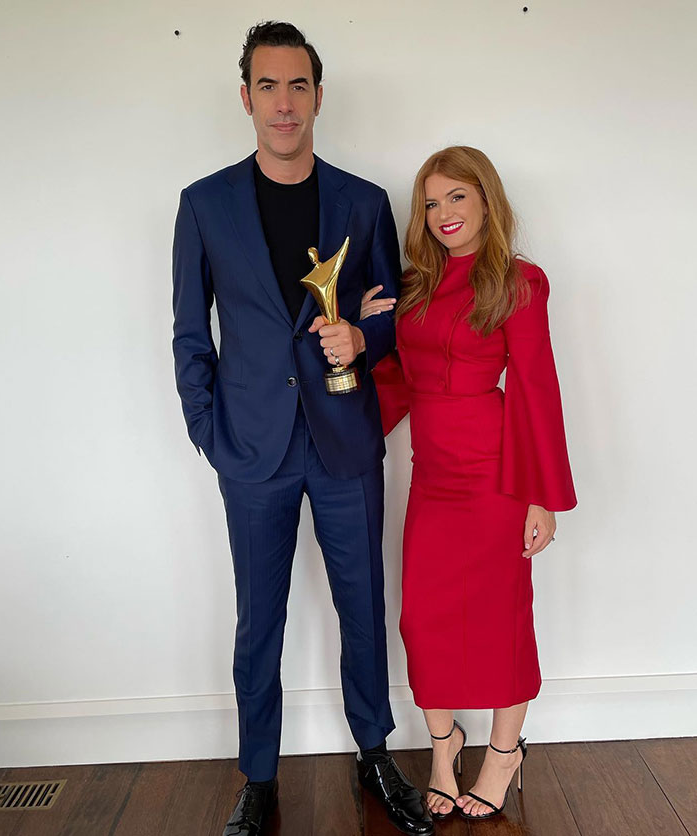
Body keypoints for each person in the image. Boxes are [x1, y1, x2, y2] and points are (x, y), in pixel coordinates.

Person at [171, 21, 433, 836]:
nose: (283, 103)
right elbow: (190, 335)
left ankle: (374, 754)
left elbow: (393, 316)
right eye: (268, 86)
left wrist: (364, 336)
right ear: (245, 97)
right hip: (252, 449)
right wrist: (211, 435)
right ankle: (259, 776)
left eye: (298, 86)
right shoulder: (203, 205)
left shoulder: (364, 201)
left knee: (364, 603)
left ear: (319, 96)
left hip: (345, 440)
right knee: (261, 619)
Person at [365, 145, 577, 821]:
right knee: (422, 618)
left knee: (501, 617)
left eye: (457, 196)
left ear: (486, 198)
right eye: (431, 202)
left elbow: (537, 388)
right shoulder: (413, 287)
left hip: (495, 476)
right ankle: (444, 745)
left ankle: (503, 754)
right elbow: (396, 378)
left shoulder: (519, 282)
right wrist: (363, 334)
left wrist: (542, 496)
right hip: (432, 477)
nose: (443, 213)